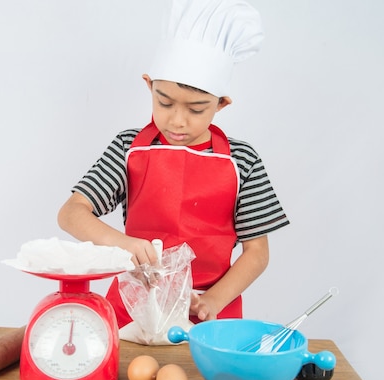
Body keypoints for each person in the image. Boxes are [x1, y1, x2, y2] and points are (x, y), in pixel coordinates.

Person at [58, 0, 289, 327]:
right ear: (149, 85)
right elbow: (71, 212)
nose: (178, 121)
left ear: (221, 104)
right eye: (164, 103)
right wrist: (123, 245)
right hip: (135, 305)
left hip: (208, 313)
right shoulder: (129, 147)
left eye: (196, 109)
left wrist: (212, 302)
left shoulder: (242, 160)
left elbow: (257, 253)